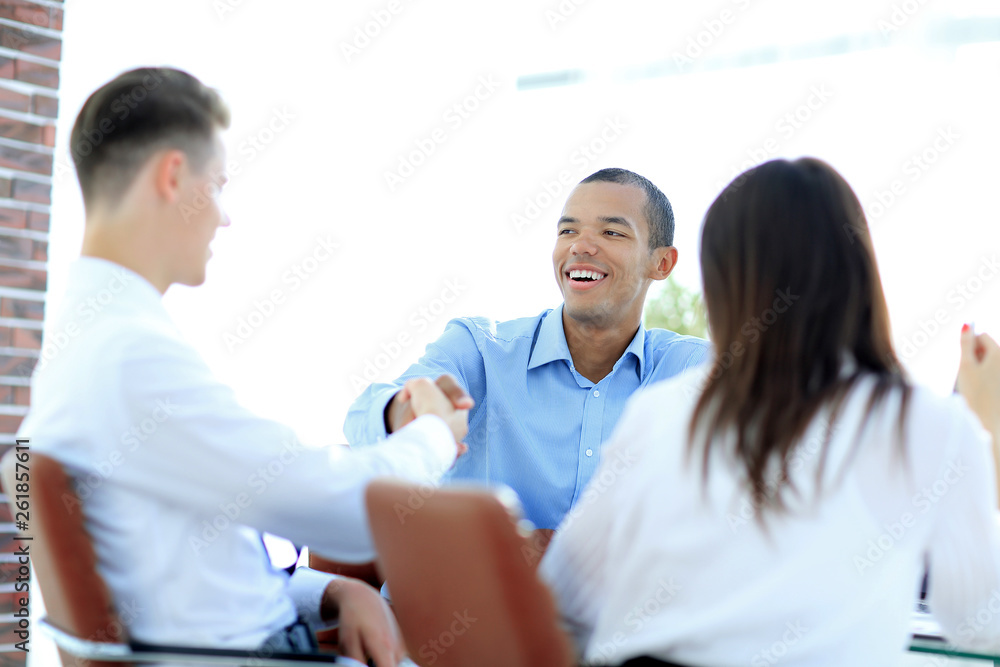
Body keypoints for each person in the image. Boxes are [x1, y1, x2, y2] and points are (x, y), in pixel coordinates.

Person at [18, 67, 471, 666]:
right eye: (217, 186)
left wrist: (333, 592)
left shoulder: (85, 341)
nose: (223, 217)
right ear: (173, 176)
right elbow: (346, 515)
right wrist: (435, 432)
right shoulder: (131, 354)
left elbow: (192, 570)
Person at [539, 158, 1000, 666]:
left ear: (722, 282)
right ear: (859, 271)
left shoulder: (660, 412)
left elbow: (564, 600)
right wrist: (990, 430)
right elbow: (980, 623)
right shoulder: (931, 426)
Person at [346, 168, 709, 533]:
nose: (580, 246)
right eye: (568, 231)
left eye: (611, 232)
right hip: (474, 572)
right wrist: (405, 410)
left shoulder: (694, 370)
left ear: (661, 263)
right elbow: (362, 418)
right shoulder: (480, 349)